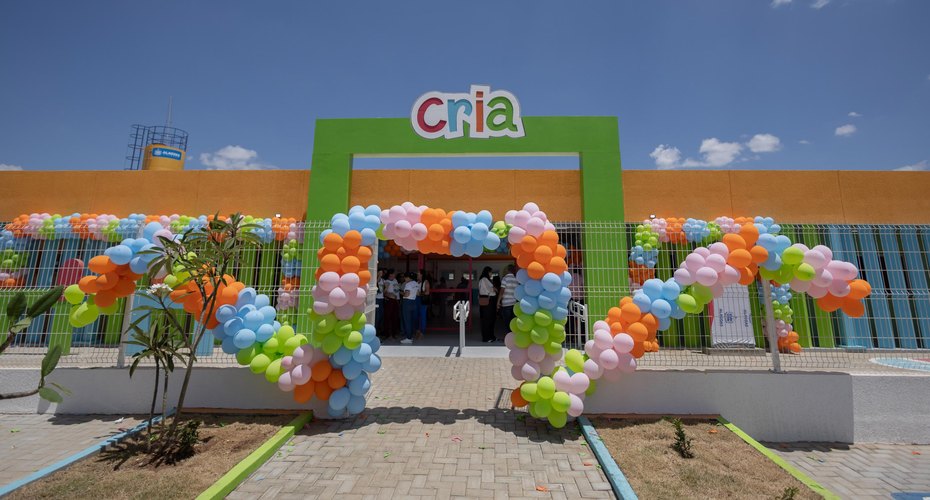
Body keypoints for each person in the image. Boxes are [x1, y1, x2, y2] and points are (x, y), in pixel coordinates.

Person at [478, 266, 498, 343]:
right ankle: (486, 337)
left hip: (489, 300)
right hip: (488, 300)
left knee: (490, 319)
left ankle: (491, 336)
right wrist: (494, 289)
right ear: (487, 272)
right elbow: (490, 289)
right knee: (487, 319)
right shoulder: (484, 279)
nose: (491, 274)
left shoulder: (485, 279)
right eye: (490, 272)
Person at [498, 264, 518, 334]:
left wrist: (498, 302)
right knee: (513, 321)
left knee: (507, 321)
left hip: (506, 303)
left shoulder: (505, 278)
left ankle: (509, 334)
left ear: (507, 270)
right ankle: (513, 334)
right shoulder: (516, 279)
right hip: (514, 303)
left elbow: (502, 291)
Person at [400, 272, 419, 344]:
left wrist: (401, 292)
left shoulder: (408, 284)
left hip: (407, 302)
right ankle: (411, 336)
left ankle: (409, 338)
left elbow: (407, 294)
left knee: (407, 321)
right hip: (413, 302)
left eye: (405, 277)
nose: (404, 279)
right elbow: (418, 293)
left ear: (408, 278)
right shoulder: (416, 283)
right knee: (411, 320)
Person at [382, 270, 400, 341]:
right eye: (393, 274)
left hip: (396, 300)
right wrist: (389, 294)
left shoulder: (395, 280)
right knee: (388, 317)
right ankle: (387, 334)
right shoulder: (386, 282)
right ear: (390, 275)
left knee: (395, 317)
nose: (394, 275)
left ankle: (394, 333)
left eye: (394, 274)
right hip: (390, 301)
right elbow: (384, 293)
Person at [416, 270, 432, 339]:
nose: (417, 275)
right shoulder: (416, 282)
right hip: (416, 300)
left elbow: (427, 292)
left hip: (422, 300)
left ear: (422, 275)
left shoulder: (426, 282)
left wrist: (420, 294)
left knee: (422, 316)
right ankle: (418, 330)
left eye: (418, 274)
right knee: (416, 316)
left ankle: (422, 331)